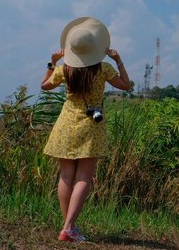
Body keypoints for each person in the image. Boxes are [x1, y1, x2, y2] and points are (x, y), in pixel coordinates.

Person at [41, 17, 131, 242]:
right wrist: (119, 60)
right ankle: (69, 227)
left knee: (65, 177)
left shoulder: (64, 69)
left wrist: (51, 63)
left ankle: (68, 228)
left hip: (65, 125)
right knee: (83, 178)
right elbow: (126, 86)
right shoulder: (104, 69)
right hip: (91, 124)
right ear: (95, 47)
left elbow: (45, 87)